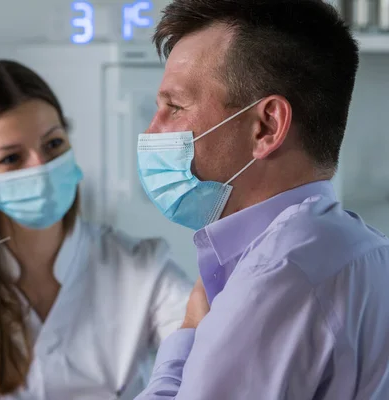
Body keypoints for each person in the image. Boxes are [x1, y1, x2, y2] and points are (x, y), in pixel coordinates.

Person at [0, 60, 192, 400]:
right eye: (11, 158)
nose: (42, 167)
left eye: (52, 144)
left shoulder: (143, 269)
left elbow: (209, 361)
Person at [134, 0, 389, 399]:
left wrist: (187, 336)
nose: (153, 131)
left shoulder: (280, 276)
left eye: (175, 107)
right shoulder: (366, 250)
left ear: (266, 126)